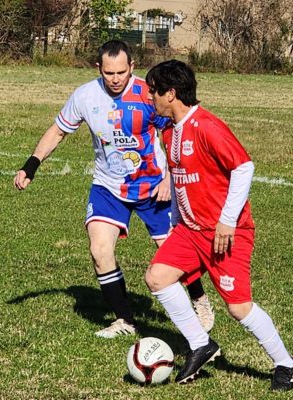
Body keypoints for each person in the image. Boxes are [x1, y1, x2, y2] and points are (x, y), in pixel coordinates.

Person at [13, 41, 214, 338]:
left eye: (121, 71)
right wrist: (31, 165)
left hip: (153, 186)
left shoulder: (149, 93)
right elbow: (58, 130)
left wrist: (170, 178)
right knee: (99, 250)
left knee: (172, 254)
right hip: (108, 187)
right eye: (109, 73)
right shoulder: (85, 96)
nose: (116, 78)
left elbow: (173, 131)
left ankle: (199, 299)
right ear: (99, 69)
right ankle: (125, 320)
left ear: (132, 67)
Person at [143, 60, 293, 391]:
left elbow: (244, 167)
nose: (150, 96)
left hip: (225, 234)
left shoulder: (208, 126)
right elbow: (180, 180)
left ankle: (286, 364)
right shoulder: (169, 131)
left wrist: (227, 222)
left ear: (171, 94)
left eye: (154, 90)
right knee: (157, 278)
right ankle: (201, 343)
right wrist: (175, 221)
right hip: (190, 231)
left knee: (239, 307)